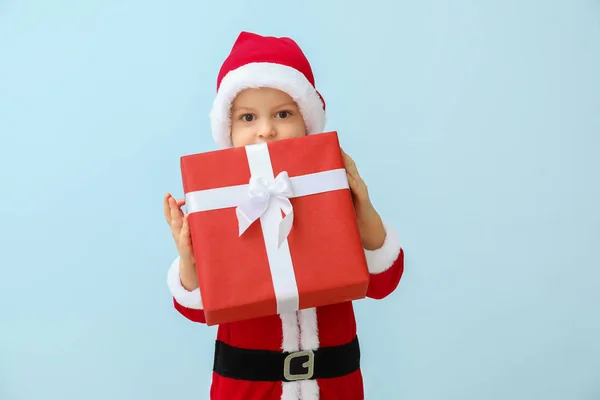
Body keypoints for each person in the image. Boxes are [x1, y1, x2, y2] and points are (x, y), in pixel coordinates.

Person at [163, 31, 405, 400]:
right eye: (247, 116)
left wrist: (362, 209)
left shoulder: (331, 191)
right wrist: (188, 256)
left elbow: (383, 282)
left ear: (307, 121)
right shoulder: (219, 204)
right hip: (246, 387)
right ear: (228, 129)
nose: (266, 130)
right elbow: (197, 311)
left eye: (283, 113)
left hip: (335, 385)